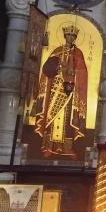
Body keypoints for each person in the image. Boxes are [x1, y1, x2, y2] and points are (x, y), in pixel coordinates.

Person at [33, 24, 88, 159]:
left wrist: (73, 71)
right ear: (64, 36)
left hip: (69, 91)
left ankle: (67, 148)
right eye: (68, 35)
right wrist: (59, 67)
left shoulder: (78, 53)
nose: (71, 38)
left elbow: (83, 72)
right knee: (52, 116)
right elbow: (47, 70)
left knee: (68, 118)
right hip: (55, 89)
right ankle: (49, 147)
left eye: (73, 36)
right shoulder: (57, 51)